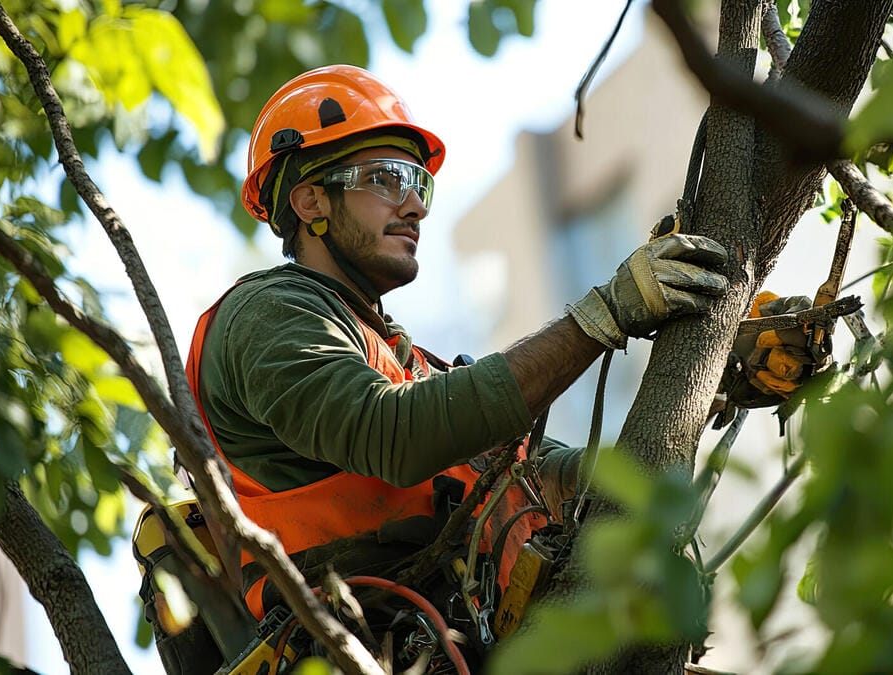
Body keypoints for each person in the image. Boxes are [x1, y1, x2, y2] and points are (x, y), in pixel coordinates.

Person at [182, 64, 818, 668]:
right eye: (387, 180)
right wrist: (604, 316)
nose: (416, 207)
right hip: (364, 646)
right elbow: (395, 437)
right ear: (311, 202)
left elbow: (542, 474)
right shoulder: (266, 316)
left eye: (418, 185)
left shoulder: (405, 364)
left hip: (463, 636)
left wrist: (707, 385)